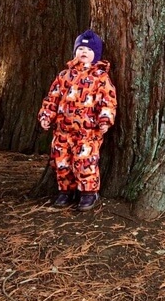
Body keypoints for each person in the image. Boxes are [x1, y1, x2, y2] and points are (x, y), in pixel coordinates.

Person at [38, 29, 117, 211]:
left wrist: (105, 119)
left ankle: (88, 193)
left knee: (85, 161)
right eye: (81, 48)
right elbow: (53, 97)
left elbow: (108, 100)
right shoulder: (65, 76)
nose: (84, 52)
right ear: (75, 51)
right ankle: (66, 191)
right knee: (61, 160)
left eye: (89, 50)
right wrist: (46, 116)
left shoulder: (101, 78)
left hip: (88, 131)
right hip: (63, 130)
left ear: (95, 55)